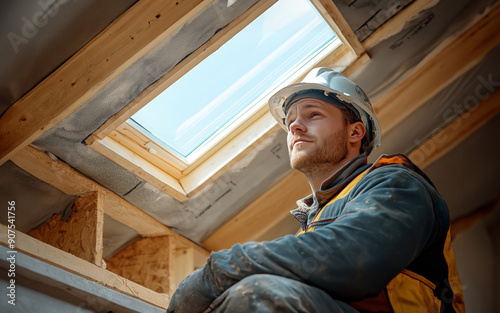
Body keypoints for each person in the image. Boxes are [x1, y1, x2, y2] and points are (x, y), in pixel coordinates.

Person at [167, 68, 465, 313]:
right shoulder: (310, 229)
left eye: (313, 114)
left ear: (355, 132)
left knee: (259, 296)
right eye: (290, 120)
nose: (295, 126)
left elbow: (354, 259)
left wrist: (218, 271)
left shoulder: (396, 184)